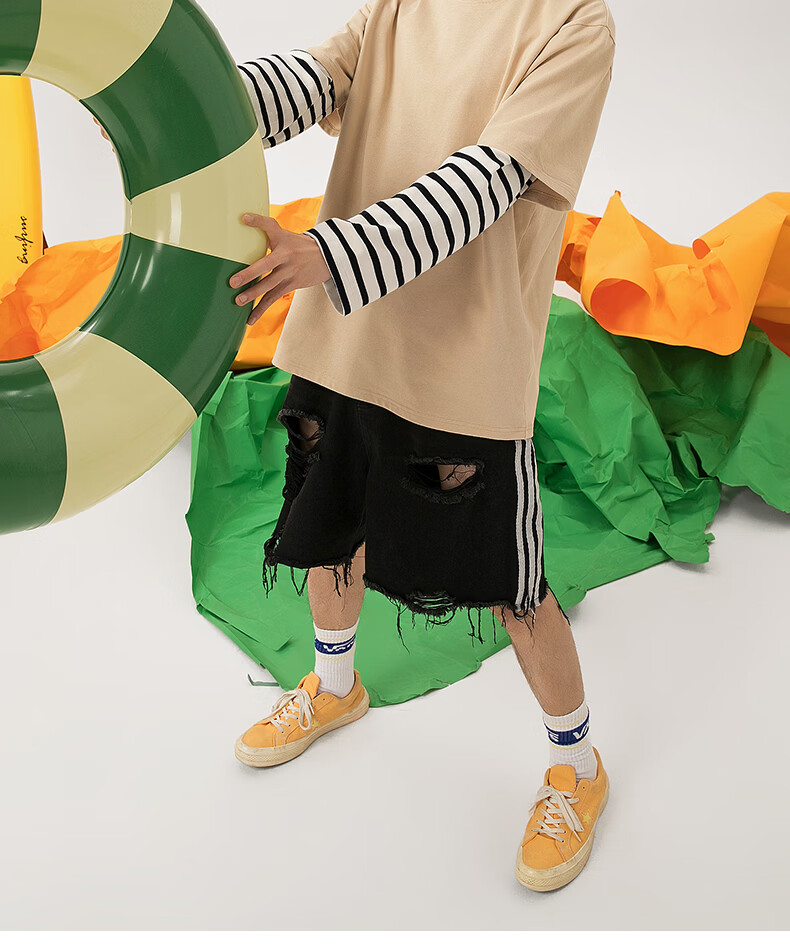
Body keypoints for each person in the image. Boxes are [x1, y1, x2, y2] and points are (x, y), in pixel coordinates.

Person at [230, 0, 615, 892]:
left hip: (463, 360)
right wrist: (189, 111)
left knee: (513, 587)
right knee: (330, 527)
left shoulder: (576, 25)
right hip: (349, 333)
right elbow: (317, 77)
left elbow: (486, 181)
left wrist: (328, 255)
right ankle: (335, 687)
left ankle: (579, 768)